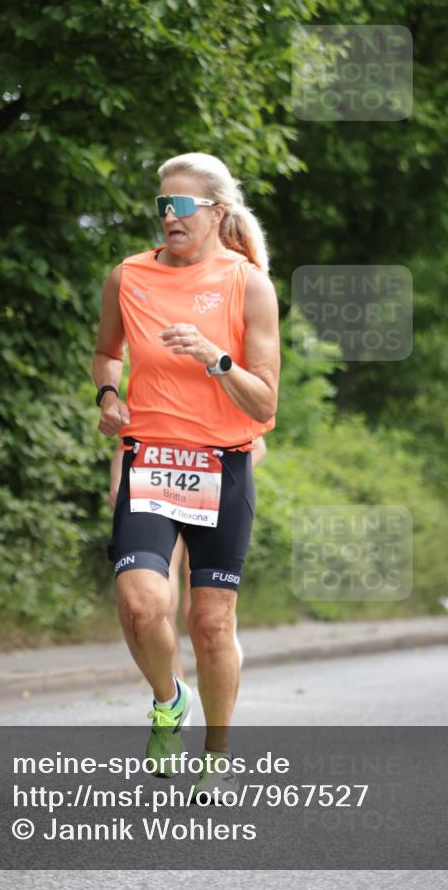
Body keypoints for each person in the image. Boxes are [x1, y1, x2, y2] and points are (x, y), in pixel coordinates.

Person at [93, 152, 280, 801]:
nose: (168, 217)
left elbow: (265, 404)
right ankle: (167, 700)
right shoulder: (128, 275)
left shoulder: (246, 283)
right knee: (141, 602)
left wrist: (215, 358)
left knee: (209, 624)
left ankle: (217, 754)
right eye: (160, 206)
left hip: (221, 466)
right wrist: (107, 400)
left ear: (215, 211)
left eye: (180, 206)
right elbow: (105, 353)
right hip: (150, 460)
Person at [108, 435, 269, 685]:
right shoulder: (153, 403)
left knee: (196, 604)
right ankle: (178, 695)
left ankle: (225, 629)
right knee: (163, 603)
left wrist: (218, 479)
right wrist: (118, 484)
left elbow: (258, 448)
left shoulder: (218, 404)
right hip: (159, 492)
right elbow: (125, 444)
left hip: (207, 498)